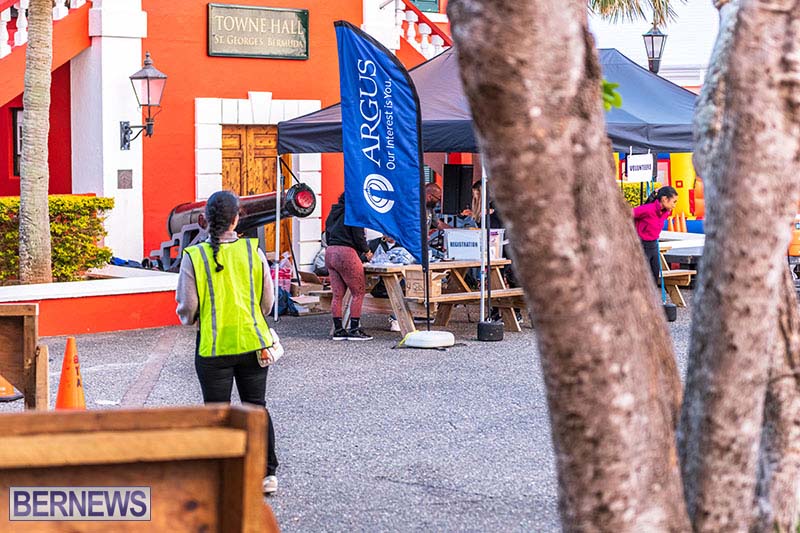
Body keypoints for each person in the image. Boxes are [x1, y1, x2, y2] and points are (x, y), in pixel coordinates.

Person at [175, 190, 280, 495]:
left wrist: (192, 320)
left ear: (203, 220)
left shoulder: (194, 256)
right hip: (252, 342)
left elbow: (187, 307)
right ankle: (266, 474)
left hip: (213, 346)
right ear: (237, 219)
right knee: (256, 407)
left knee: (216, 412)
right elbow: (268, 302)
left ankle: (222, 476)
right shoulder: (253, 251)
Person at [324, 193, 373, 340]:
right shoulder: (354, 212)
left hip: (330, 252)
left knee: (337, 294)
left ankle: (338, 330)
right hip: (346, 253)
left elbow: (327, 235)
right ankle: (354, 330)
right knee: (358, 292)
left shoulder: (333, 212)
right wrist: (367, 251)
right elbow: (358, 236)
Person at [632, 186, 679, 283]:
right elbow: (627, 214)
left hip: (653, 246)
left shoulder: (666, 213)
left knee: (654, 278)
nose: (674, 205)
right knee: (641, 279)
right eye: (674, 202)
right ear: (664, 199)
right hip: (641, 246)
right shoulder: (648, 209)